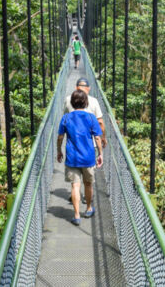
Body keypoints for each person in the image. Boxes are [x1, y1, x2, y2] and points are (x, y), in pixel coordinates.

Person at [57, 90, 103, 226]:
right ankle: (88, 208)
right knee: (88, 184)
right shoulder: (91, 118)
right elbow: (98, 138)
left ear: (71, 103)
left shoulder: (65, 118)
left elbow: (60, 137)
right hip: (88, 157)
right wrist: (100, 154)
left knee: (75, 185)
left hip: (72, 157)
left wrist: (59, 151)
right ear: (86, 102)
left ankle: (77, 216)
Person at [64, 78, 107, 148]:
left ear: (76, 88)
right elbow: (100, 122)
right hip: (90, 144)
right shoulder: (94, 101)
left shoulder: (68, 99)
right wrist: (103, 137)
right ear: (89, 88)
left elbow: (65, 118)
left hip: (73, 143)